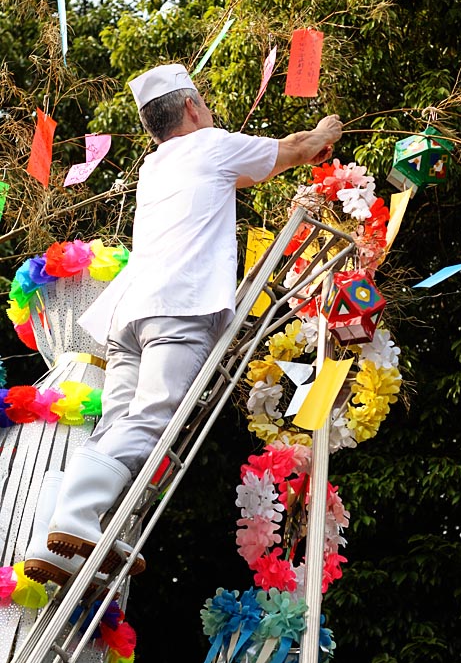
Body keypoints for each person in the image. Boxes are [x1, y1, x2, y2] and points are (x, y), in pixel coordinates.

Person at [26, 63, 343, 581]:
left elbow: (247, 171)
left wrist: (297, 150)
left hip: (128, 314)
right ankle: (75, 516)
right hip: (179, 306)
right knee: (152, 421)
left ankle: (53, 536)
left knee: (118, 423)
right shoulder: (212, 144)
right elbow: (292, 149)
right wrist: (326, 134)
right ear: (193, 107)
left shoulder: (155, 166)